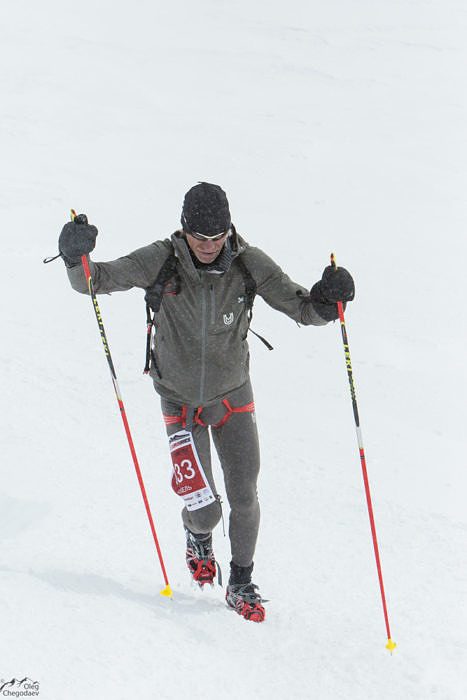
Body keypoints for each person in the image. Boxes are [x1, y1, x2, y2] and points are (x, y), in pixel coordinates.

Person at [58, 182, 355, 623]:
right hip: (179, 403)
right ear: (184, 230)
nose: (209, 247)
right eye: (200, 238)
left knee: (244, 496)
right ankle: (197, 538)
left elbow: (304, 309)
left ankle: (241, 581)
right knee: (206, 510)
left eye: (217, 238)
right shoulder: (161, 259)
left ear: (228, 231)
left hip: (233, 396)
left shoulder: (250, 263)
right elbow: (93, 281)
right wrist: (73, 255)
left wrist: (330, 301)